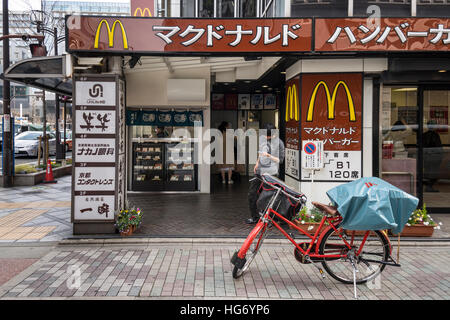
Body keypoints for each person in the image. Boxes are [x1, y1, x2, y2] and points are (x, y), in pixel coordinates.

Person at [246, 123, 285, 224]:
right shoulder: (263, 140)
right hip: (259, 172)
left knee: (268, 196)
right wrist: (257, 163)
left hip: (271, 174)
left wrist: (269, 156)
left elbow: (280, 160)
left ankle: (270, 219)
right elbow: (260, 152)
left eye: (268, 135)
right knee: (252, 194)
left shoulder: (279, 143)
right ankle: (255, 217)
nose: (266, 137)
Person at [423, 120, 443, 192]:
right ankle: (429, 186)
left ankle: (428, 186)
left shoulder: (424, 135)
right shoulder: (435, 135)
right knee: (433, 172)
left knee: (428, 171)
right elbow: (438, 147)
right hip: (434, 157)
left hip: (426, 157)